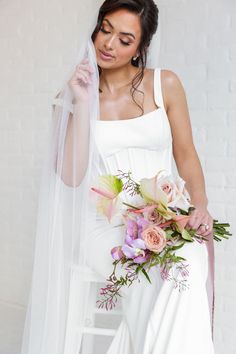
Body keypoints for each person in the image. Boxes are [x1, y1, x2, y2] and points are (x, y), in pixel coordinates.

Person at [20, 1, 215, 353]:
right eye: (105, 30)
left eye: (124, 39)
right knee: (155, 278)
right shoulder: (71, 96)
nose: (108, 44)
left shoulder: (165, 84)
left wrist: (199, 207)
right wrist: (81, 103)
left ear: (141, 49)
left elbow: (185, 154)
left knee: (184, 264)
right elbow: (70, 176)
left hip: (166, 215)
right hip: (106, 226)